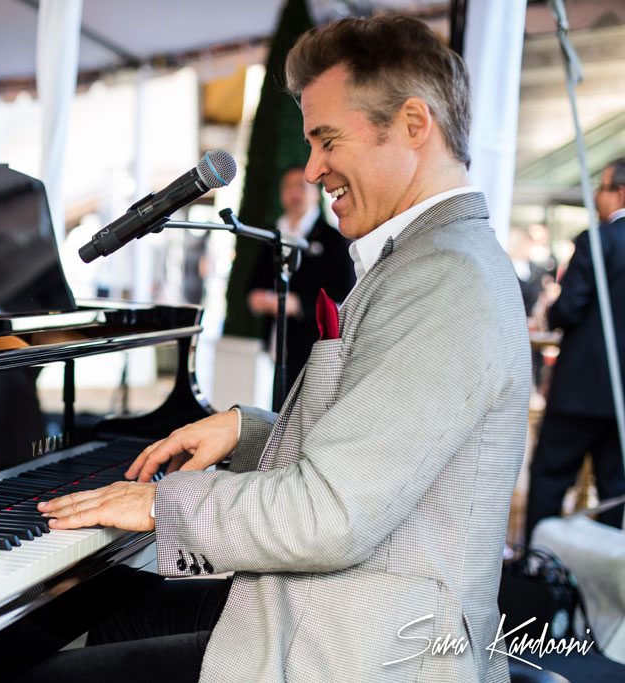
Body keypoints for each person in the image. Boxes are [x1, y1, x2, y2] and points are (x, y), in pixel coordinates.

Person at [30, 15, 531, 683]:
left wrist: (161, 503)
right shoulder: (424, 259)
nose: (314, 168)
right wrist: (247, 432)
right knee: (121, 612)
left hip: (370, 647)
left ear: (415, 125)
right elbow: (379, 450)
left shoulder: (448, 277)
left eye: (327, 141)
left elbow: (331, 512)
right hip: (336, 601)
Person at [525, 158, 625, 541]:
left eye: (601, 188)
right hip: (618, 398)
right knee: (614, 490)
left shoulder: (597, 239)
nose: (596, 197)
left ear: (619, 192)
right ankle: (605, 573)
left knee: (550, 478)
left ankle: (537, 569)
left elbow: (568, 310)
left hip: (580, 389)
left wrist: (554, 308)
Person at [247, 166, 355, 391]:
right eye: (287, 187)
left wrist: (298, 305)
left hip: (315, 346)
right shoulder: (272, 235)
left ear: (316, 193)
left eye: (301, 187)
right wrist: (255, 297)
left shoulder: (333, 239)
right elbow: (255, 280)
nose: (294, 193)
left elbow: (344, 293)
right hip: (278, 343)